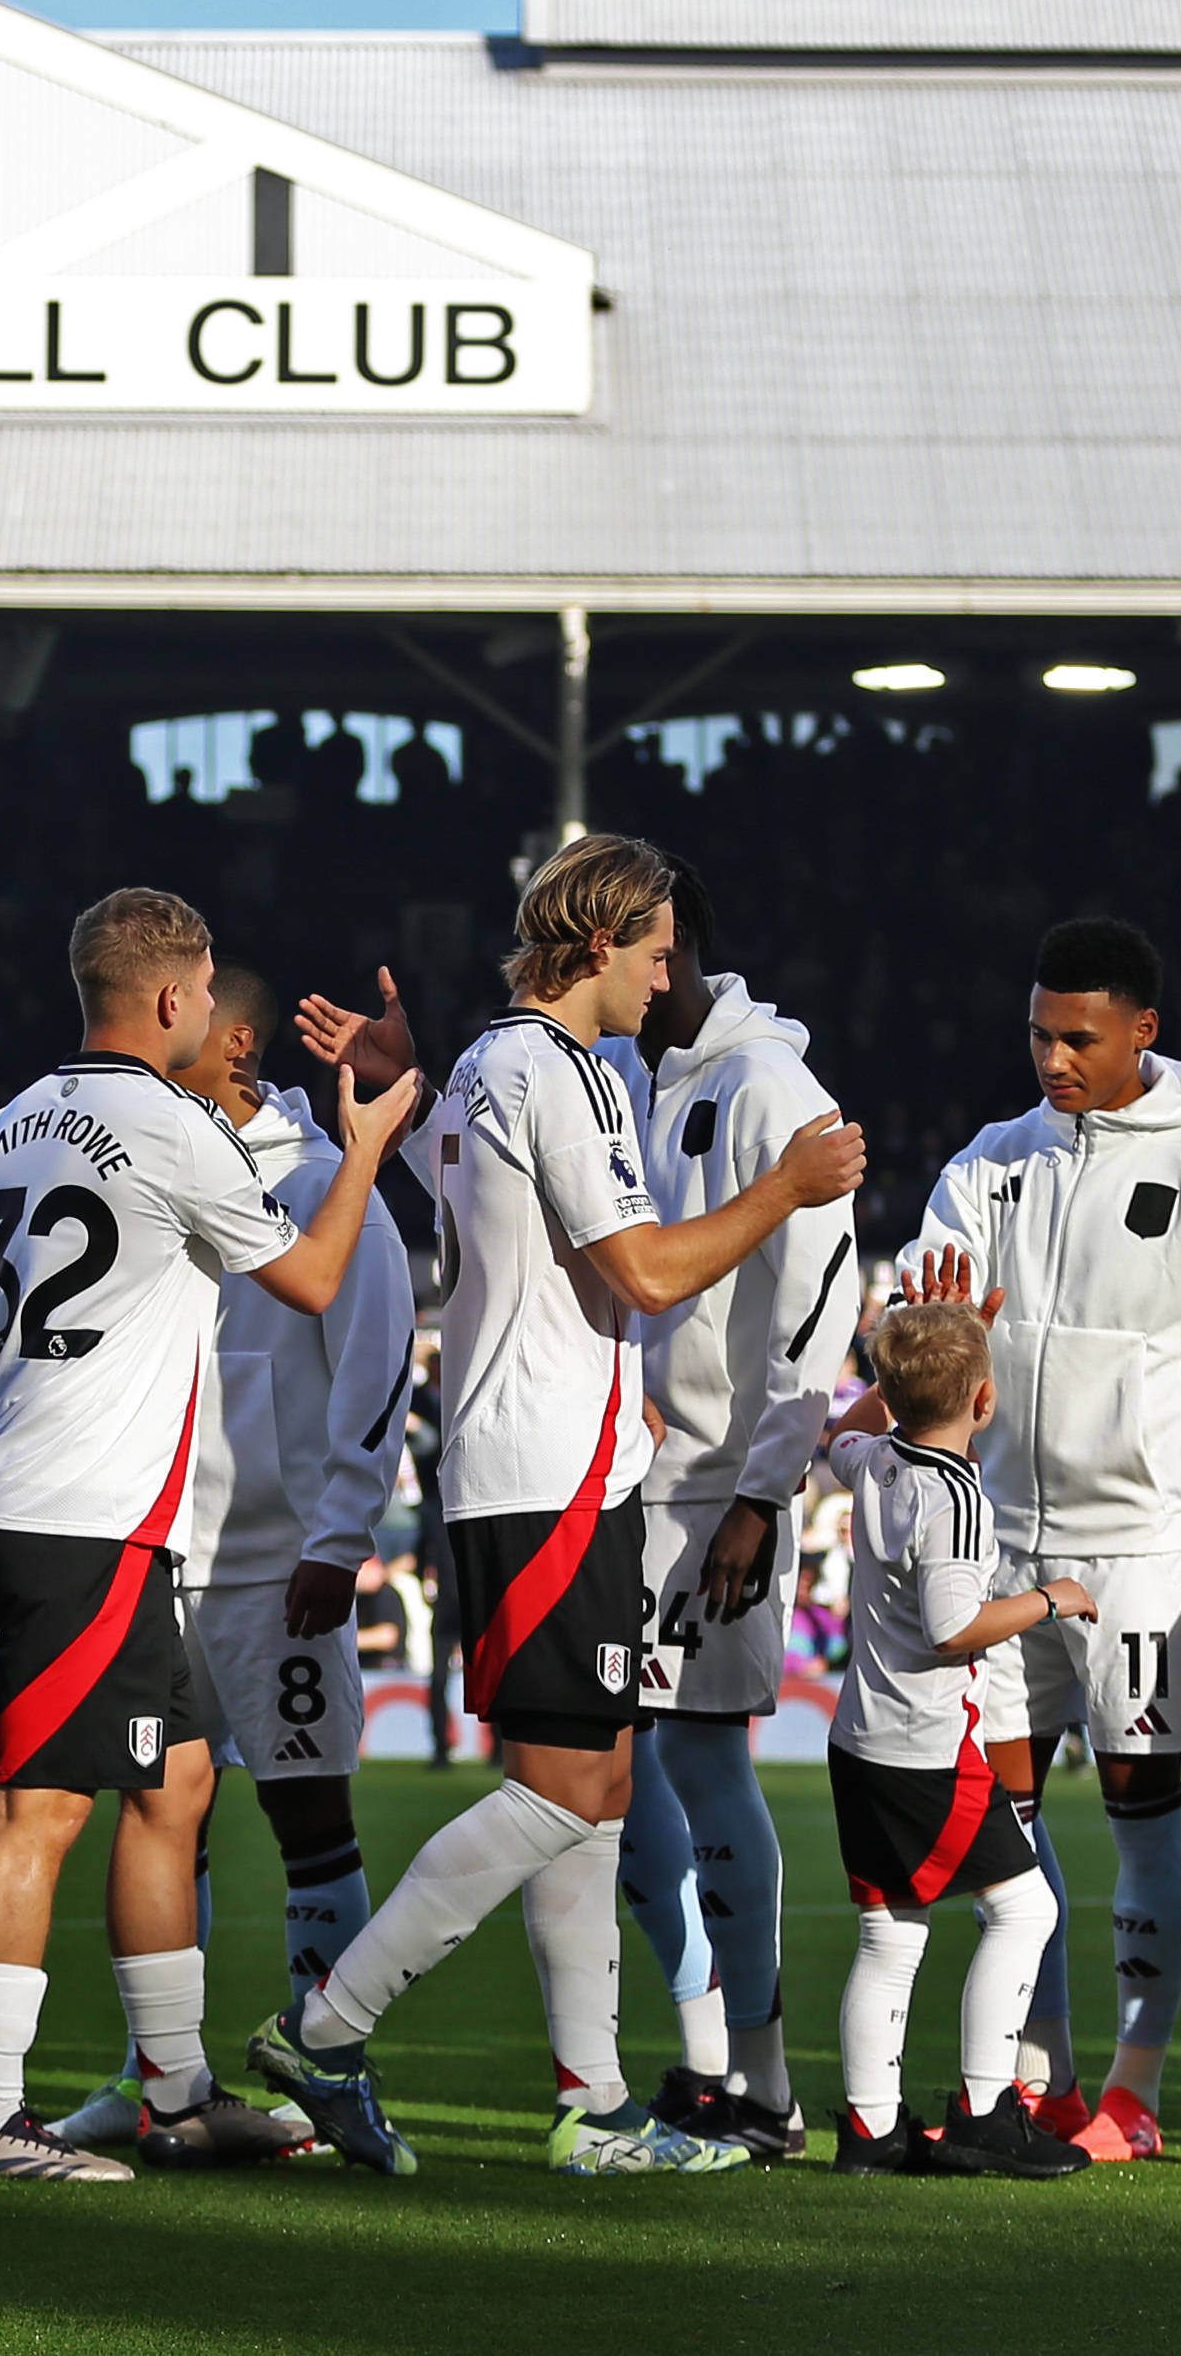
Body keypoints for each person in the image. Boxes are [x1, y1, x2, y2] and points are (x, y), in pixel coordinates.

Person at [255, 833, 862, 2176]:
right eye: (652, 947)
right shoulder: (561, 1069)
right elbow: (643, 1272)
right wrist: (783, 1188)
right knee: (560, 1790)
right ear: (597, 944)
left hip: (537, 1468)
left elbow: (481, 1201)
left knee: (588, 1794)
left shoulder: (491, 1061)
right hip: (544, 1473)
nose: (667, 973)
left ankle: (589, 2107)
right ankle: (327, 2022)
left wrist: (400, 1087)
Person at [0, 890, 410, 2181]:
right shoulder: (178, 1127)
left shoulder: (9, 1126)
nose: (214, 1013)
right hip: (90, 1508)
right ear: (163, 998)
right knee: (38, 1806)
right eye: (201, 992)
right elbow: (311, 1278)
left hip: (67, 1503)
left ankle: (176, 2088)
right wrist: (361, 1145)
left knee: (178, 1779)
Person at [906, 915, 1181, 2163]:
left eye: (1077, 1036)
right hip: (1000, 1547)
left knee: (1141, 1801)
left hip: (1137, 1543)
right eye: (1037, 1033)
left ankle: (1133, 2091)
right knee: (1005, 1829)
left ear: (1143, 1029)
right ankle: (1045, 2080)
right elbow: (928, 1317)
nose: (1052, 1057)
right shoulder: (989, 1160)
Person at [47, 962, 413, 2156]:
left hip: (278, 1564)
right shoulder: (156, 1169)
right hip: (162, 1555)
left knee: (310, 1814)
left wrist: (339, 1530)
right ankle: (160, 2073)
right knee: (163, 1820)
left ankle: (330, 2064)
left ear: (234, 1040)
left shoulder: (322, 1182)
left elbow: (375, 1365)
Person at [617, 861, 854, 2157]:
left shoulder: (766, 1083)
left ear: (676, 946)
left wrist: (763, 1492)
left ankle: (760, 2086)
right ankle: (716, 2062)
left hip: (719, 1488)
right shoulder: (644, 1083)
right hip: (649, 1483)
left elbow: (817, 1303)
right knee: (633, 1766)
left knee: (698, 1763)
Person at [817, 1283, 1094, 2178]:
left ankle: (869, 2129)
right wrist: (1050, 1599)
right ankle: (982, 2107)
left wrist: (895, 1375)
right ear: (985, 1399)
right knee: (1028, 1907)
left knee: (889, 1933)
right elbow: (952, 1626)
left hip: (862, 1738)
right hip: (929, 1749)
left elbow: (839, 1438)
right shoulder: (956, 1494)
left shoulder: (877, 1461)